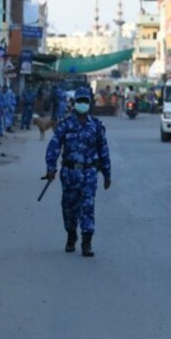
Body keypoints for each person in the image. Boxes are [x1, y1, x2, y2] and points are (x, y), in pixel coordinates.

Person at [44, 87, 111, 257]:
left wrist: (107, 173)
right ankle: (71, 234)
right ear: (74, 104)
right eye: (79, 101)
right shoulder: (66, 125)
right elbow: (54, 146)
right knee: (69, 207)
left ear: (89, 103)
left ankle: (87, 242)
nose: (82, 104)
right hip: (69, 174)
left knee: (87, 207)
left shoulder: (96, 126)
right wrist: (51, 168)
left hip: (89, 173)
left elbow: (103, 150)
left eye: (85, 101)